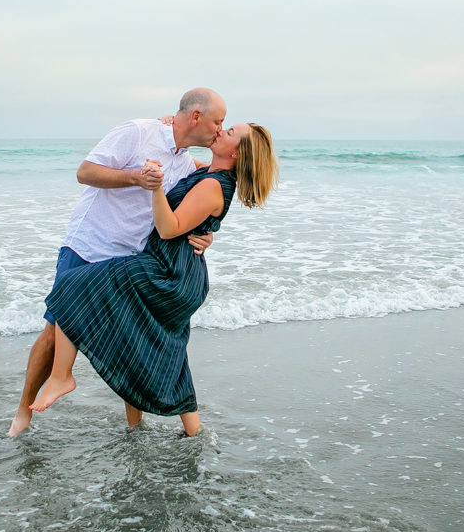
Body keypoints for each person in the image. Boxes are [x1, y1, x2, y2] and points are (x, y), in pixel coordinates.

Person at [29, 122, 278, 436]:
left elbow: (169, 228)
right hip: (177, 269)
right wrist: (172, 127)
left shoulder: (215, 184)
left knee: (73, 286)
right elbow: (187, 177)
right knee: (159, 347)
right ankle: (191, 431)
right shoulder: (207, 171)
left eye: (229, 132)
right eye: (222, 124)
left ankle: (62, 376)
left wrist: (156, 187)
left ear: (238, 152)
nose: (221, 131)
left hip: (168, 273)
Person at [7, 88, 227, 437]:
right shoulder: (138, 132)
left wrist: (206, 233)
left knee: (130, 339)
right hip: (89, 244)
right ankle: (23, 414)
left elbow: (207, 196)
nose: (220, 130)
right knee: (53, 333)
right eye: (218, 122)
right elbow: (85, 171)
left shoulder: (186, 163)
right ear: (196, 117)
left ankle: (134, 428)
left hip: (129, 256)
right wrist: (135, 178)